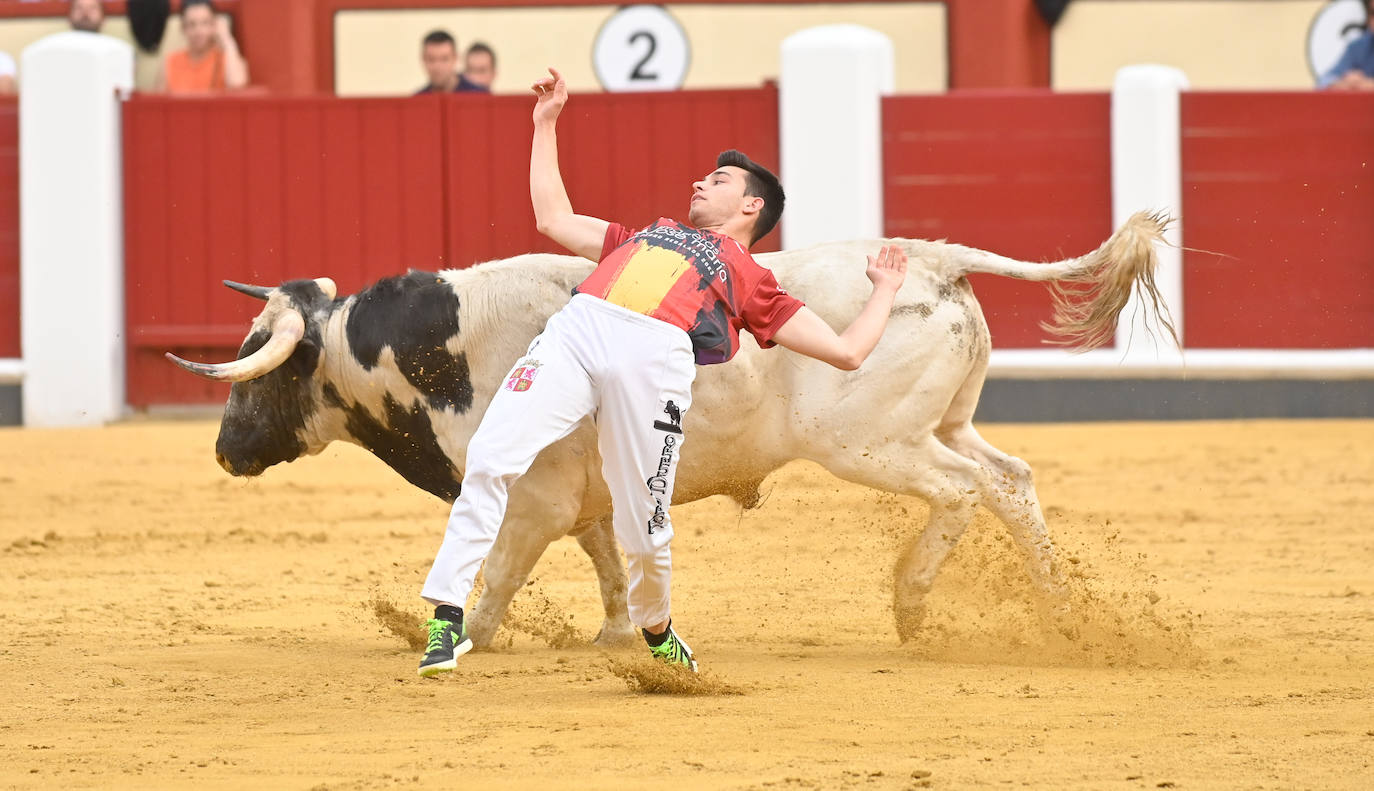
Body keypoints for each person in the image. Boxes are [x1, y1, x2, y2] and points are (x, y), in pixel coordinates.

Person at [416, 67, 909, 677]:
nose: (700, 182)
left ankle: (655, 628)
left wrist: (884, 290)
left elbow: (846, 352)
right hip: (579, 330)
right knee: (493, 456)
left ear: (752, 204)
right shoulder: (645, 235)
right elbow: (553, 217)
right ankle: (447, 616)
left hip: (655, 358)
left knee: (642, 517)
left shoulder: (752, 279)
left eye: (718, 179)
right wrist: (545, 126)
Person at [154, 0, 249, 94]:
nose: (198, 31)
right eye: (192, 24)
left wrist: (227, 40)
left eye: (205, 23)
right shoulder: (170, 61)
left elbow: (237, 86)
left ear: (214, 25)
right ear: (183, 28)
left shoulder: (227, 59)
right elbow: (159, 103)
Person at [1319, 0, 1374, 90]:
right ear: (1368, 19)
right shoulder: (1359, 46)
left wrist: (1369, 84)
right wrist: (1346, 83)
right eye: (1373, 13)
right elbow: (1324, 81)